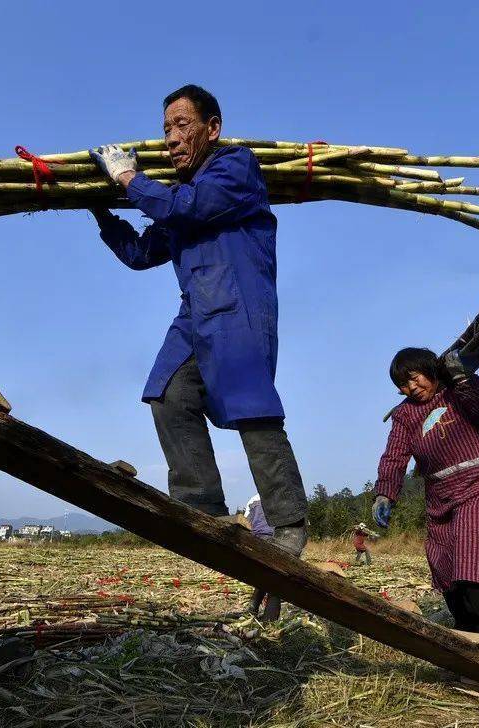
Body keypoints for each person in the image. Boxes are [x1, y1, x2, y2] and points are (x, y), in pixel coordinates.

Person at [88, 85, 307, 558]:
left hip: (238, 305)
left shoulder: (235, 168)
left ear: (213, 128)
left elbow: (187, 207)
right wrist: (99, 209)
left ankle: (288, 522)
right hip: (195, 316)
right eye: (166, 128)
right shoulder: (177, 196)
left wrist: (129, 177)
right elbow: (141, 253)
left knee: (252, 406)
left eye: (182, 125)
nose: (171, 137)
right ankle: (202, 508)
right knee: (167, 391)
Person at [371, 347, 479, 647]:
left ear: (430, 370)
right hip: (441, 495)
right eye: (402, 385)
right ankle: (465, 636)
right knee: (445, 561)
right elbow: (394, 456)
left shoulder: (458, 388)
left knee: (475, 555)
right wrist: (385, 493)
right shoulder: (405, 414)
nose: (411, 388)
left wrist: (463, 379)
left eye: (414, 378)